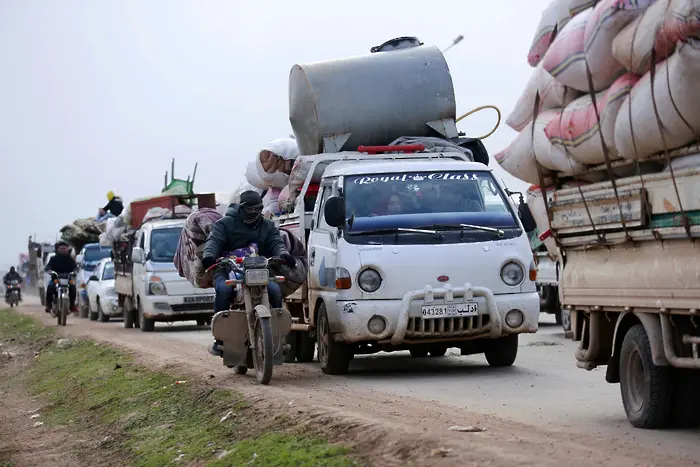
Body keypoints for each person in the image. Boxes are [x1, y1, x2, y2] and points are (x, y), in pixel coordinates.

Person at [202, 190, 295, 314]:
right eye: (250, 209)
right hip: (228, 269)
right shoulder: (224, 224)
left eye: (258, 209)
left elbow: (276, 242)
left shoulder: (268, 225)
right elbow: (214, 241)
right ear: (242, 208)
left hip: (260, 270)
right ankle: (221, 327)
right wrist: (209, 255)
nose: (254, 213)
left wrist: (283, 253)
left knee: (274, 291)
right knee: (224, 290)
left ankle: (276, 327)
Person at [44, 242, 78, 314]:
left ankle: (72, 305)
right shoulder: (53, 258)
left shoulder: (70, 259)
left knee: (73, 287)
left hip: (67, 279)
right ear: (58, 249)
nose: (63, 250)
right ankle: (49, 305)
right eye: (61, 248)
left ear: (67, 249)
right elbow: (48, 267)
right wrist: (50, 271)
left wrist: (74, 272)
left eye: (64, 248)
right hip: (56, 279)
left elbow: (75, 267)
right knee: (50, 287)